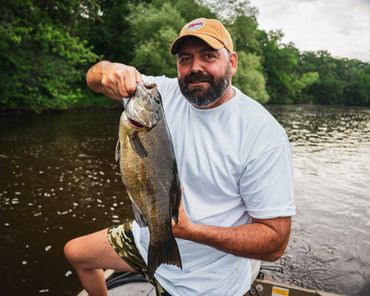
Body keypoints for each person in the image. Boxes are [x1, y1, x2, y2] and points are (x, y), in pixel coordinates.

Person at [64, 18, 296, 296]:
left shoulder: (262, 133)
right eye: (186, 58)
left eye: (208, 56)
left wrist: (190, 231)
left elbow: (275, 243)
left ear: (232, 63)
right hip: (146, 236)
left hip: (207, 281)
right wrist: (109, 71)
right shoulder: (154, 96)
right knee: (76, 253)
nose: (195, 67)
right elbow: (94, 77)